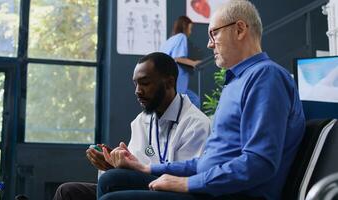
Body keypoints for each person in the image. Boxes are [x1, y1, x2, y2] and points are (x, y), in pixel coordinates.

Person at [97, 1, 306, 200]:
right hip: (213, 189)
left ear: (240, 29)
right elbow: (206, 163)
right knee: (111, 179)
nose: (209, 44)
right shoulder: (236, 82)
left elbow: (259, 163)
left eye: (214, 33)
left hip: (235, 194)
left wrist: (187, 184)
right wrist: (147, 168)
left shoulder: (265, 77)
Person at [53, 52, 211, 200]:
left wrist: (123, 171)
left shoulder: (196, 124)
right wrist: (113, 163)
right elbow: (135, 170)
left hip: (176, 191)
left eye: (145, 83)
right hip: (145, 186)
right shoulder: (141, 121)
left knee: (112, 180)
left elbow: (185, 178)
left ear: (169, 82)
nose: (137, 91)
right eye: (136, 84)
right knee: (68, 191)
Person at [160, 16, 201, 107]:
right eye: (190, 29)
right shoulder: (181, 37)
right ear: (185, 27)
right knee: (194, 102)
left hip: (165, 83)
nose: (190, 32)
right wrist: (194, 63)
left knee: (194, 99)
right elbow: (178, 58)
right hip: (177, 84)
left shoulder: (168, 41)